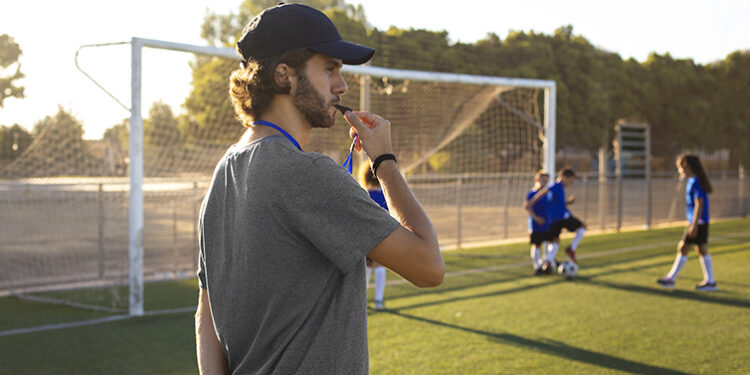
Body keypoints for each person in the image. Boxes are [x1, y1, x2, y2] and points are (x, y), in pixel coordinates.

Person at [194, 4, 445, 374]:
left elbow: (206, 314)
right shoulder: (305, 173)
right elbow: (429, 268)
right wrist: (384, 161)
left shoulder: (223, 173)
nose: (342, 85)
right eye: (329, 69)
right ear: (284, 76)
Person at [657, 154, 717, 291]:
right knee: (700, 249)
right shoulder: (692, 181)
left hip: (698, 222)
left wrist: (694, 224)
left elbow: (699, 203)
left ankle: (671, 279)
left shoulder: (695, 182)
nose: (680, 171)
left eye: (680, 168)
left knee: (684, 247)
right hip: (697, 221)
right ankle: (710, 282)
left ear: (688, 167)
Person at [528, 167, 586, 267]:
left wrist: (568, 202)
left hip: (554, 220)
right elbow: (544, 191)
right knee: (582, 227)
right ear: (564, 177)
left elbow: (557, 203)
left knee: (555, 241)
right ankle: (571, 249)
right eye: (570, 181)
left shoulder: (559, 188)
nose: (570, 183)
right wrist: (532, 201)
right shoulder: (557, 186)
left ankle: (549, 263)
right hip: (561, 218)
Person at [359, 162, 389, 310]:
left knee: (366, 267)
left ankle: (361, 301)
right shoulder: (386, 194)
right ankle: (378, 301)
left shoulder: (363, 193)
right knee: (379, 267)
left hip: (365, 236)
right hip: (381, 236)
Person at [524, 171, 552, 275]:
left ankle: (548, 262)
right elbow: (528, 207)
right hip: (536, 225)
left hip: (546, 223)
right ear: (536, 180)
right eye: (543, 180)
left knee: (552, 241)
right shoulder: (532, 193)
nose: (544, 183)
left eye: (546, 181)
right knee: (537, 245)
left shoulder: (546, 193)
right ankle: (537, 267)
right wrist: (536, 218)